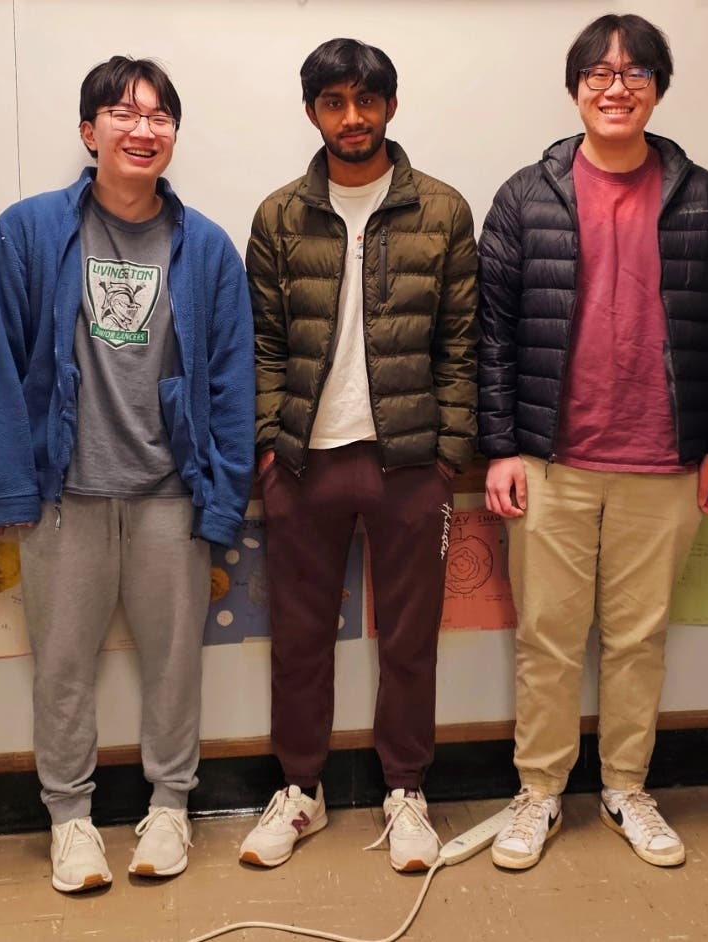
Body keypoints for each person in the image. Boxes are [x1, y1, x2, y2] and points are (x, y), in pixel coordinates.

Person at [478, 13, 708, 870]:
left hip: (664, 462)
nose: (616, 87)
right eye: (598, 73)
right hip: (550, 461)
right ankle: (538, 792)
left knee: (639, 640)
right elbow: (492, 332)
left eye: (636, 72)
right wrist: (501, 446)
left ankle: (627, 788)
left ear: (658, 89)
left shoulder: (704, 199)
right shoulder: (527, 196)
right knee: (548, 640)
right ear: (575, 89)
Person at [0, 56, 254, 893]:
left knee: (175, 663)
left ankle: (169, 809)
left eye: (159, 116)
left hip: (172, 494)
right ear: (89, 132)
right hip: (64, 495)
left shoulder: (206, 248)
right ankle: (70, 820)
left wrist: (224, 496)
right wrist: (11, 488)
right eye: (123, 114)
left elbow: (232, 379)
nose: (142, 129)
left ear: (173, 134)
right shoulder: (27, 232)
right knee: (61, 668)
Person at [240, 37, 478, 873]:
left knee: (410, 639)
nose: (352, 117)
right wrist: (270, 447)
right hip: (304, 461)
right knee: (299, 636)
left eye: (366, 100)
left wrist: (448, 455)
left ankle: (406, 791)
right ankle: (299, 790)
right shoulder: (279, 216)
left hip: (410, 462)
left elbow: (460, 343)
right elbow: (264, 345)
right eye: (335, 102)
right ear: (313, 111)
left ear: (390, 106)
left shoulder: (442, 210)